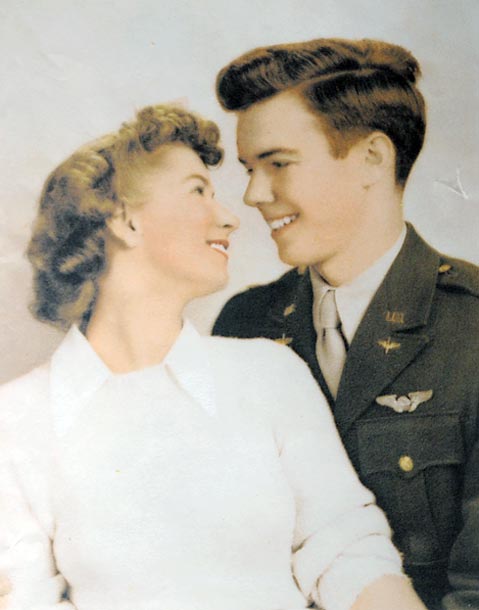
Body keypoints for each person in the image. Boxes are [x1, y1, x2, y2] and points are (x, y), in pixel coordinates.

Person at [0, 104, 426, 610]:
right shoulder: (16, 419)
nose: (230, 217)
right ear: (125, 219)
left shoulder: (269, 374)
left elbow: (347, 551)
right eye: (198, 191)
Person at [212, 38, 479, 610]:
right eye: (249, 169)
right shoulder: (244, 324)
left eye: (278, 164)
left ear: (372, 159)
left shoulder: (473, 323)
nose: (254, 195)